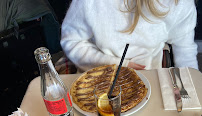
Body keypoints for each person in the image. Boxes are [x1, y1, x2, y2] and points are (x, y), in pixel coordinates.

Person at [61, 0, 198, 72]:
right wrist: (115, 64)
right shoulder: (91, 2)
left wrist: (191, 93)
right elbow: (72, 41)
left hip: (151, 79)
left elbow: (185, 50)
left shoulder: (179, 3)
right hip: (99, 75)